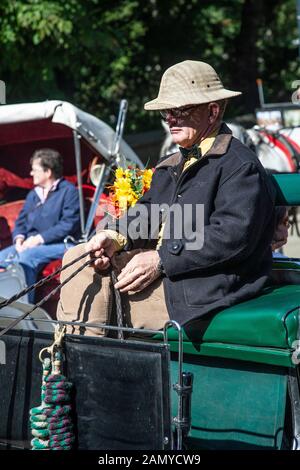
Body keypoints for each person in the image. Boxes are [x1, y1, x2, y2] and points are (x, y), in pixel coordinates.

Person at [57, 60, 276, 336]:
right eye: (166, 112)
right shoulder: (170, 164)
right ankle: (72, 359)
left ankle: (82, 365)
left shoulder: (240, 165)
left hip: (203, 289)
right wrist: (113, 237)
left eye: (180, 111)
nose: (171, 119)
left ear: (212, 111)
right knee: (80, 257)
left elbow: (231, 236)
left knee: (96, 295)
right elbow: (148, 212)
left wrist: (161, 260)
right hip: (171, 275)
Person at [0, 148, 80, 302]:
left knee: (26, 257)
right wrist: (19, 240)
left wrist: (38, 239)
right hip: (30, 243)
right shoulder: (33, 194)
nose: (31, 173)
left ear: (48, 172)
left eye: (35, 170)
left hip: (61, 243)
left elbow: (68, 224)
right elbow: (21, 221)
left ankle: (25, 311)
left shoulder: (69, 192)